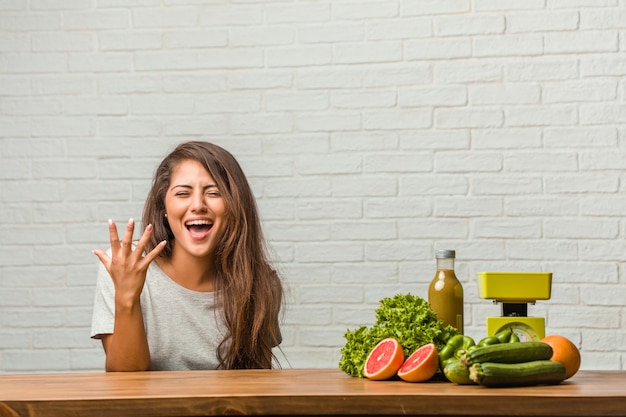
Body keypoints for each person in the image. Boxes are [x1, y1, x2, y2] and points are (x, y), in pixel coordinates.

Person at [90, 141, 284, 371]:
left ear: (234, 206)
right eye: (183, 193)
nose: (198, 205)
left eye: (214, 193)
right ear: (164, 205)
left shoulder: (260, 282)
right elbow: (125, 382)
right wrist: (127, 298)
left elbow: (258, 386)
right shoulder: (124, 264)